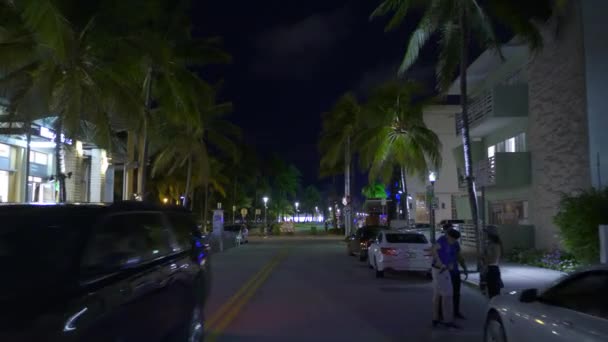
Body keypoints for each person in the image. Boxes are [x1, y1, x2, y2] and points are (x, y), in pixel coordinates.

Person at [431, 228, 462, 329]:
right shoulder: (442, 240)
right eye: (452, 239)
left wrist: (450, 264)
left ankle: (436, 318)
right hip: (441, 270)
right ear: (449, 236)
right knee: (447, 295)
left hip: (443, 269)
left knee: (438, 294)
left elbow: (454, 255)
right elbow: (434, 249)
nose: (453, 242)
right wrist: (440, 262)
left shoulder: (450, 242)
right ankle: (448, 320)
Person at [437, 224, 468, 320]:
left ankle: (455, 311)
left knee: (456, 292)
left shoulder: (455, 243)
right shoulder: (441, 241)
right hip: (445, 271)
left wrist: (464, 268)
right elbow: (435, 255)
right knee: (444, 293)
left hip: (454, 271)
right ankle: (441, 313)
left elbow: (459, 255)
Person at [484, 226, 503, 298]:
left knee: (494, 295)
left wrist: (484, 259)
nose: (485, 235)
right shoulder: (489, 244)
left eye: (486, 233)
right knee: (490, 293)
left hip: (493, 269)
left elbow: (494, 259)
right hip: (489, 269)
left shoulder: (496, 245)